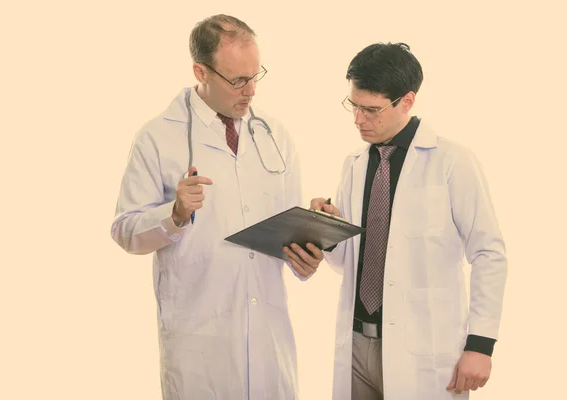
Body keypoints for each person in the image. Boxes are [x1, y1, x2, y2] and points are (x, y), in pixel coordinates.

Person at [110, 14, 324, 399]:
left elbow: (286, 235)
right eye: (239, 80)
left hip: (268, 336)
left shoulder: (275, 137)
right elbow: (125, 231)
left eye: (256, 76)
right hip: (200, 340)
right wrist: (173, 215)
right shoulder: (158, 137)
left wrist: (306, 255)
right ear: (201, 71)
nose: (251, 91)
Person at [310, 42, 508, 399]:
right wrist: (331, 232)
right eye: (353, 106)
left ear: (407, 101)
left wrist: (480, 345)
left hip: (423, 350)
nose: (358, 119)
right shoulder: (354, 164)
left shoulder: (452, 161)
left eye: (371, 110)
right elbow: (348, 263)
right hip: (356, 345)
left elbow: (489, 253)